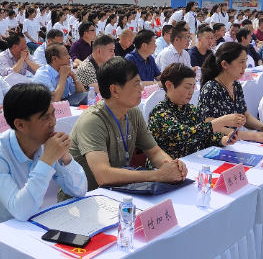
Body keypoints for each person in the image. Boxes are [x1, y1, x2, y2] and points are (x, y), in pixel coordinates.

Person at [0, 83, 87, 228]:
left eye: (53, 113)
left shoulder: (43, 143)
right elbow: (20, 211)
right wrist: (46, 161)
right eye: (45, 118)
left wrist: (65, 158)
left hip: (34, 223)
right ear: (20, 125)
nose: (53, 122)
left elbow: (79, 190)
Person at [69, 57, 188, 192]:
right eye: (136, 83)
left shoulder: (132, 112)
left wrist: (172, 167)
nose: (141, 88)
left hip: (117, 191)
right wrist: (156, 175)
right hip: (87, 198)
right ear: (115, 90)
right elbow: (103, 175)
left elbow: (154, 153)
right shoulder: (92, 121)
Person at [148, 64, 239, 160]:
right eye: (187, 87)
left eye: (193, 87)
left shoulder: (190, 109)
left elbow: (203, 135)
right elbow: (185, 135)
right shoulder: (159, 112)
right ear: (169, 85)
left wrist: (222, 139)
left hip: (192, 161)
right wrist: (221, 121)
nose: (191, 91)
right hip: (168, 167)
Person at [197, 43, 263, 142]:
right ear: (225, 64)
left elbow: (245, 116)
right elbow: (210, 126)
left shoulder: (236, 86)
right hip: (215, 145)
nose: (245, 66)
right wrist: (253, 136)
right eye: (241, 62)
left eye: (245, 62)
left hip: (234, 143)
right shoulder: (211, 89)